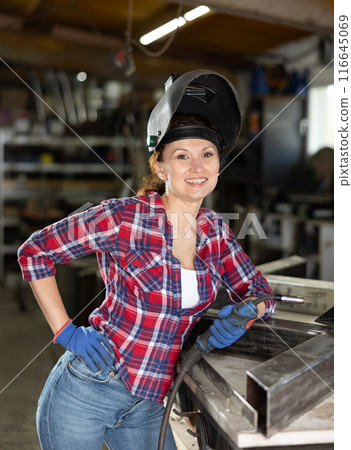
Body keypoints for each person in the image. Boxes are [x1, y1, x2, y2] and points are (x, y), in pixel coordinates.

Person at [18, 69, 276, 450]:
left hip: (152, 403)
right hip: (88, 389)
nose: (197, 167)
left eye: (207, 155)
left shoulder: (217, 233)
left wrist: (248, 312)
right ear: (160, 166)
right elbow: (35, 252)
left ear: (219, 164)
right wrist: (65, 332)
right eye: (182, 156)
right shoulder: (123, 218)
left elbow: (261, 292)